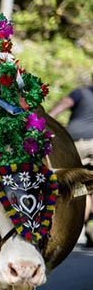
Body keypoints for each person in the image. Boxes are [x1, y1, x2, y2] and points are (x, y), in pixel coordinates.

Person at [49, 72, 93, 245]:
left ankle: (76, 227)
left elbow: (60, 108)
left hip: (79, 146)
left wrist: (43, 120)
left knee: (79, 186)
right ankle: (88, 227)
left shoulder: (80, 93)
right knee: (89, 187)